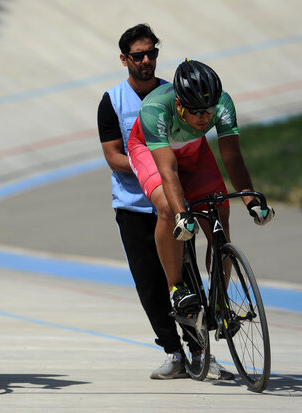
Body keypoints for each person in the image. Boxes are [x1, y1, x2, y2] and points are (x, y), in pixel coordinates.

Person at [97, 24, 233, 380]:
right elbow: (113, 157)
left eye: (152, 53)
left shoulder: (178, 94)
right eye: (138, 55)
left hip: (174, 202)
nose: (146, 60)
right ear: (124, 59)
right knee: (150, 284)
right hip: (132, 204)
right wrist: (156, 167)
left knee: (186, 279)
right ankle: (173, 353)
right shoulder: (112, 101)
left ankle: (201, 352)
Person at [127, 59, 274, 376]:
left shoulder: (221, 104)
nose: (205, 117)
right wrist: (182, 214)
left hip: (193, 150)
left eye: (209, 111)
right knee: (168, 209)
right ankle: (175, 287)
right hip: (152, 150)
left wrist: (250, 197)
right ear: (179, 104)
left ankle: (219, 297)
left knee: (220, 207)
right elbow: (167, 172)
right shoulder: (154, 109)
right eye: (197, 112)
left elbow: (232, 156)